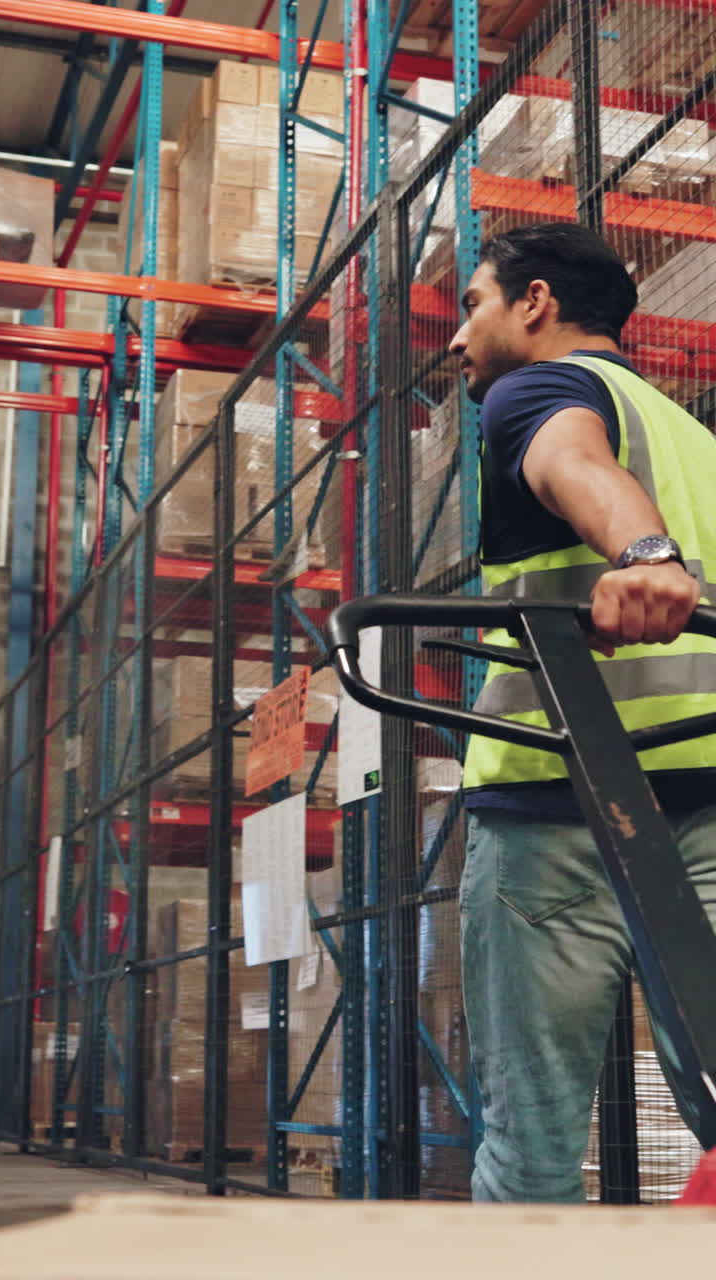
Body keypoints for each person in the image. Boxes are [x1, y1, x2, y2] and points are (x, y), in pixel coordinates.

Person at [448, 221, 716, 1203]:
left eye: (471, 303)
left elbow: (571, 462)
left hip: (556, 809)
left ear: (534, 304)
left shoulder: (535, 390)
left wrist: (643, 552)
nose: (457, 335)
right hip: (705, 809)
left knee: (533, 1147)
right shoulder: (694, 438)